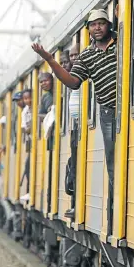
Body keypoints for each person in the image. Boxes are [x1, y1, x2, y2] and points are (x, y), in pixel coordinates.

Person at [32, 9, 117, 235]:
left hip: (125, 109)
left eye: (101, 23)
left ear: (109, 25)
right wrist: (50, 60)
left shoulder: (121, 43)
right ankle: (115, 210)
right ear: (89, 29)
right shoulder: (87, 56)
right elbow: (72, 82)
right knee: (112, 164)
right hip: (108, 112)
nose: (97, 27)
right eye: (93, 24)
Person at [59, 47, 81, 219]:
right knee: (73, 165)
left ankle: (76, 204)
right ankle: (74, 203)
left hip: (80, 128)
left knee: (75, 166)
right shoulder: (71, 76)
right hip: (75, 129)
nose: (71, 60)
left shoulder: (80, 73)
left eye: (74, 56)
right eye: (70, 57)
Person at [21, 89, 33, 197]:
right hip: (31, 143)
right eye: (25, 99)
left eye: (29, 97)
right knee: (28, 166)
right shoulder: (25, 112)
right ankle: (29, 191)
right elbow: (25, 129)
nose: (28, 100)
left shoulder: (37, 107)